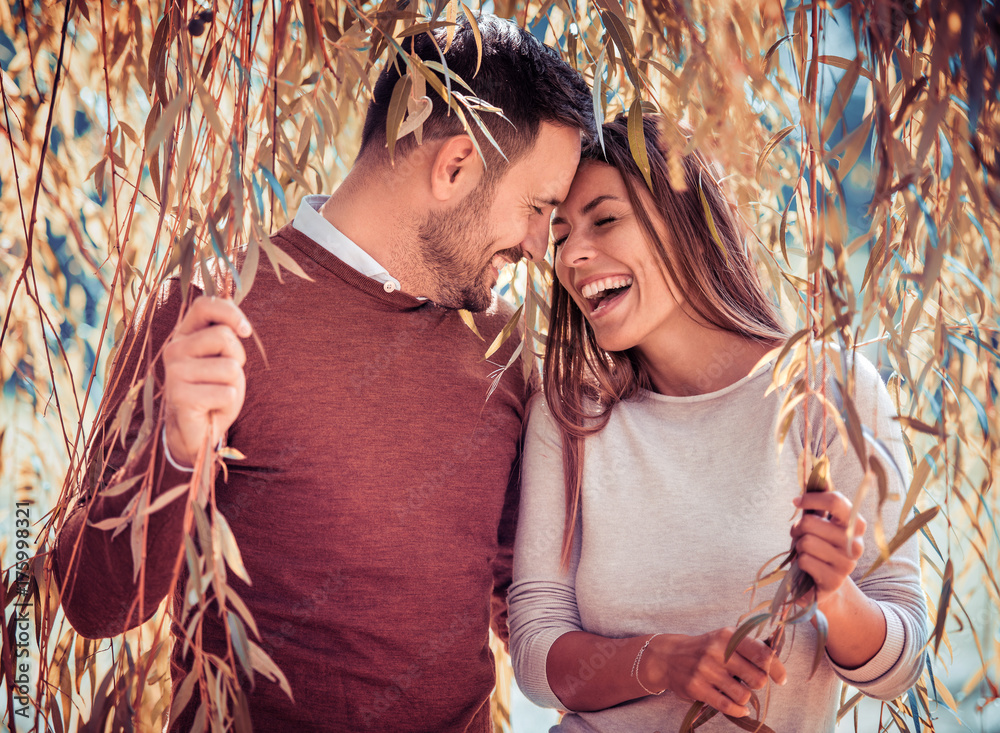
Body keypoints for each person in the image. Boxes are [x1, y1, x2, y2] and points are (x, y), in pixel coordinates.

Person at [53, 14, 593, 732]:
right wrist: (173, 451)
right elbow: (93, 604)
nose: (538, 243)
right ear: (454, 166)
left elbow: (526, 602)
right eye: (537, 208)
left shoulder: (503, 350)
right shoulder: (206, 317)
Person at [507, 114, 927, 732]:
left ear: (688, 223)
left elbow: (902, 663)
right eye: (561, 233)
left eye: (605, 219)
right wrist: (659, 662)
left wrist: (837, 592)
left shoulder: (828, 391)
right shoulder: (571, 415)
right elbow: (536, 657)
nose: (571, 255)